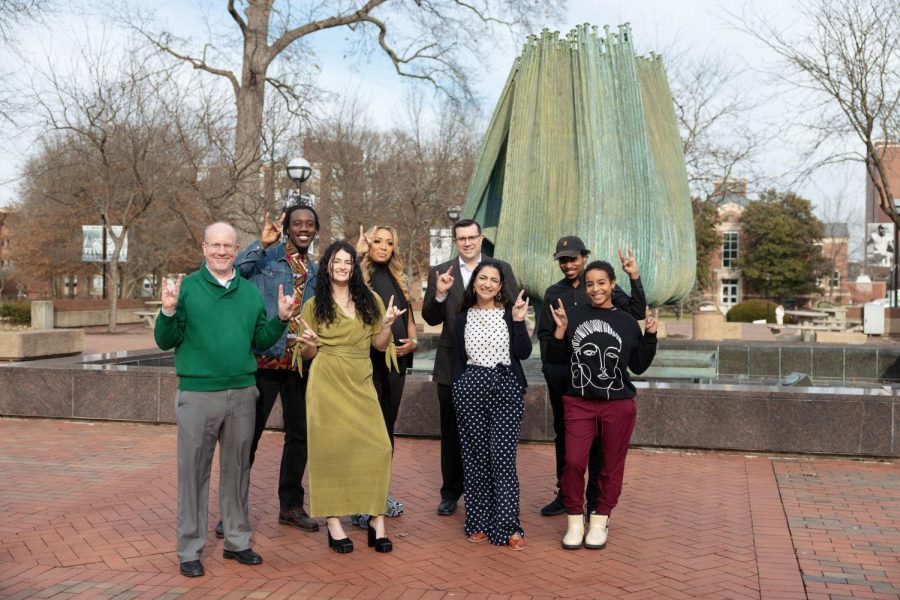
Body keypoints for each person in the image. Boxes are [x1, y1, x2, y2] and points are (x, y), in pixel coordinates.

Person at [154, 222, 294, 577]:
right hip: (198, 395)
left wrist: (280, 319)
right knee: (193, 474)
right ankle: (189, 549)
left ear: (236, 250)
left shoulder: (249, 293)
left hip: (243, 393)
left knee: (237, 472)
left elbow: (261, 340)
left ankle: (236, 541)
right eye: (215, 245)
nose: (221, 251)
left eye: (227, 246)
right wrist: (168, 311)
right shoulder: (186, 289)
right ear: (204, 248)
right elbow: (164, 340)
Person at [298, 240, 406, 554]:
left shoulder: (369, 299)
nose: (342, 266)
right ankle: (334, 524)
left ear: (353, 266)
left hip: (360, 379)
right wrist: (307, 342)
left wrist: (387, 326)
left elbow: (380, 346)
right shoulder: (314, 304)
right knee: (329, 451)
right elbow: (308, 353)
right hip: (327, 379)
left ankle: (376, 520)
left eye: (347, 261)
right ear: (327, 266)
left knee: (378, 446)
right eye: (336, 261)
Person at [221, 205, 320, 539]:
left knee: (299, 438)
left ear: (315, 230)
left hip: (299, 364)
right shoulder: (266, 260)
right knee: (247, 438)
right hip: (264, 360)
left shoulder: (316, 269)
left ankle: (291, 506)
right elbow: (232, 274)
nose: (303, 228)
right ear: (287, 227)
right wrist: (260, 244)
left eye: (309, 224)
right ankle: (232, 510)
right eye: (297, 223)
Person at [547, 260, 658, 550]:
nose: (595, 289)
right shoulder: (572, 316)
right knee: (573, 462)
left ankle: (599, 518)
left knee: (610, 466)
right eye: (590, 284)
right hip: (579, 402)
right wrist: (560, 330)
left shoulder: (625, 321)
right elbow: (557, 359)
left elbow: (639, 365)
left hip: (617, 405)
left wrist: (651, 336)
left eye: (601, 283)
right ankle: (574, 520)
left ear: (611, 285)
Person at [535, 237, 647, 516]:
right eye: (563, 259)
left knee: (600, 440)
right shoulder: (553, 293)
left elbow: (636, 311)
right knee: (566, 436)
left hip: (600, 378)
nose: (568, 264)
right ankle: (565, 493)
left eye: (573, 258)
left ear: (584, 258)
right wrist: (552, 369)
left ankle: (595, 499)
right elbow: (547, 336)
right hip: (564, 376)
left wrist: (634, 276)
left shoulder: (598, 286)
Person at [422, 218, 519, 516]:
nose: (467, 242)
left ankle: (489, 491)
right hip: (452, 365)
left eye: (472, 237)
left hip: (493, 367)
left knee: (491, 435)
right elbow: (430, 317)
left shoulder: (500, 268)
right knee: (451, 431)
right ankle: (450, 492)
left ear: (481, 238)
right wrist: (439, 294)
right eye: (461, 238)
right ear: (455, 241)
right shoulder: (441, 272)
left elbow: (514, 310)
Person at [451, 260, 532, 550]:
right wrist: (460, 387)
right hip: (471, 387)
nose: (487, 283)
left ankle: (508, 527)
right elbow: (460, 358)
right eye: (482, 278)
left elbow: (523, 352)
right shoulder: (463, 317)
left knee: (502, 458)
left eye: (493, 280)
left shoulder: (511, 314)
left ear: (500, 287)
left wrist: (520, 321)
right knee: (475, 458)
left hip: (506, 386)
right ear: (474, 283)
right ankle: (478, 523)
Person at [352, 225, 419, 526]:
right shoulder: (360, 276)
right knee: (369, 431)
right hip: (370, 362)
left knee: (387, 430)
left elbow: (410, 317)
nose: (383, 247)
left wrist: (413, 341)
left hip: (397, 365)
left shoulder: (398, 277)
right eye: (377, 241)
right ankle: (360, 500)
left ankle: (380, 492)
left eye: (389, 243)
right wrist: (357, 253)